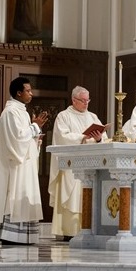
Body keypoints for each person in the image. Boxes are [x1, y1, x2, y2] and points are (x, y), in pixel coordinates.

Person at [0, 77, 49, 245]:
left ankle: (24, 236)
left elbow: (24, 138)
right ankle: (11, 235)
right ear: (18, 92)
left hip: (24, 164)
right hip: (15, 166)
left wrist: (35, 140)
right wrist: (35, 127)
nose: (31, 94)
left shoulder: (21, 111)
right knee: (15, 196)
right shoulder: (10, 112)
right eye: (28, 91)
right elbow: (16, 140)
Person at [48, 85, 108, 241]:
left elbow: (103, 138)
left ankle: (88, 229)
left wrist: (98, 138)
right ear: (74, 100)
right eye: (83, 100)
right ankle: (69, 231)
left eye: (88, 100)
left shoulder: (93, 117)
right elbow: (63, 137)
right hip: (71, 165)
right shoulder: (63, 116)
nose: (86, 103)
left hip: (89, 165)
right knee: (72, 196)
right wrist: (83, 138)